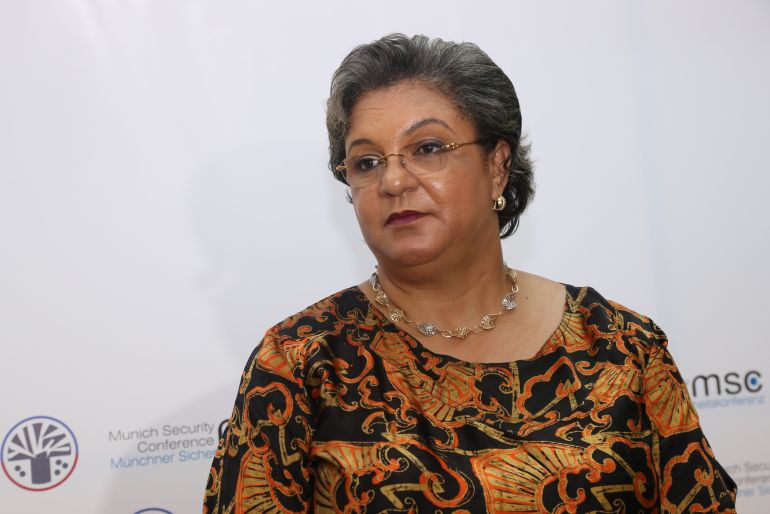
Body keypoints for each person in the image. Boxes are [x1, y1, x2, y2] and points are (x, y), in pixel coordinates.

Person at [203, 34, 737, 513]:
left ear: (498, 165)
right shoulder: (300, 361)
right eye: (366, 161)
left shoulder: (621, 347)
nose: (393, 181)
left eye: (428, 148)